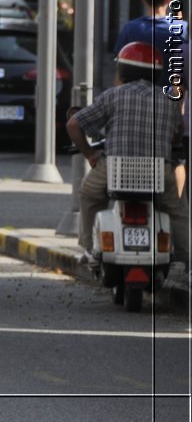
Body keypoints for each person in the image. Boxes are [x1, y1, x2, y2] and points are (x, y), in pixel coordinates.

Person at [67, 42, 189, 267]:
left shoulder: (113, 96)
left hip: (115, 169)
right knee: (178, 210)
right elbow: (177, 134)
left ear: (122, 71)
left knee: (88, 194)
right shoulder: (168, 101)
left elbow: (74, 124)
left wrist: (90, 154)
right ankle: (186, 260)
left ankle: (90, 250)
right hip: (158, 172)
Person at [114, 0, 187, 85]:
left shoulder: (129, 29)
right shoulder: (183, 29)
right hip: (170, 96)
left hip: (134, 96)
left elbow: (119, 72)